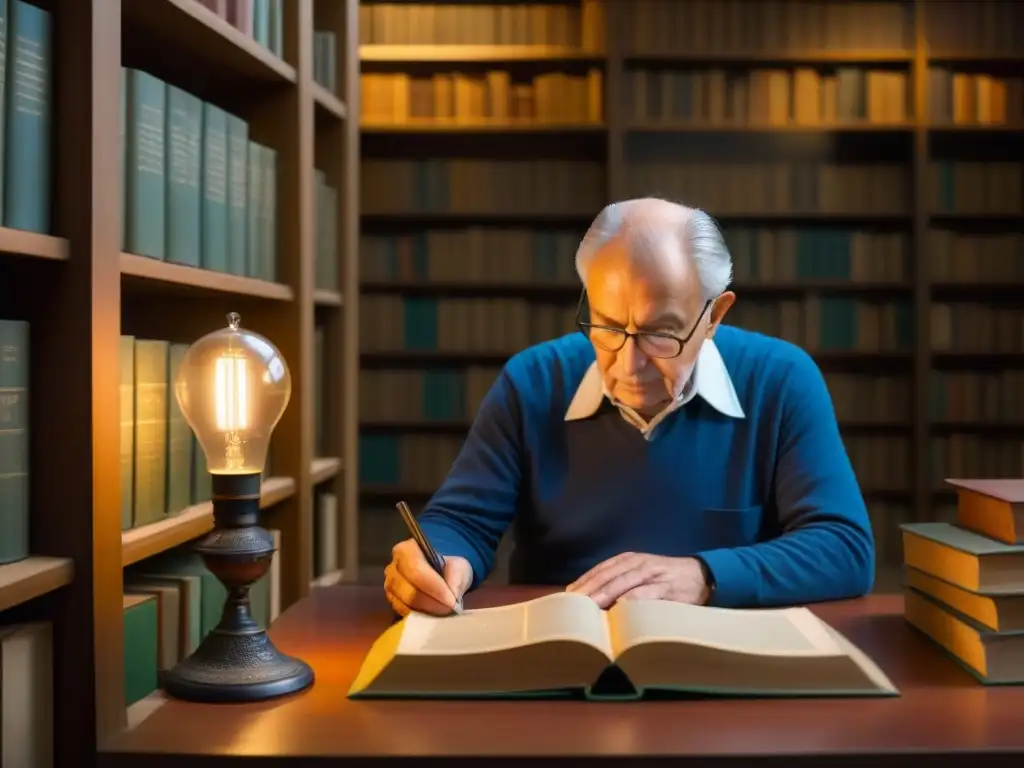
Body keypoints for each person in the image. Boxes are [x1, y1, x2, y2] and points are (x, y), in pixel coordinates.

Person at [383, 197, 875, 617]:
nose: (628, 364)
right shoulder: (532, 380)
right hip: (561, 653)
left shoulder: (781, 380)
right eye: (608, 325)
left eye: (660, 333)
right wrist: (438, 561)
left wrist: (705, 575)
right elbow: (462, 522)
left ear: (714, 316)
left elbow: (844, 548)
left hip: (728, 666)